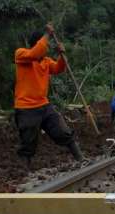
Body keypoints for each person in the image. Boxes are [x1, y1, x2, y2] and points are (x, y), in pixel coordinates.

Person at [14, 23, 83, 169]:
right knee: (28, 141)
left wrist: (62, 56)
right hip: (26, 108)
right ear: (38, 43)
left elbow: (59, 68)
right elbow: (34, 53)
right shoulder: (21, 54)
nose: (46, 48)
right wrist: (47, 34)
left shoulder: (45, 62)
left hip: (44, 105)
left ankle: (81, 159)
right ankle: (23, 171)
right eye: (44, 44)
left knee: (62, 131)